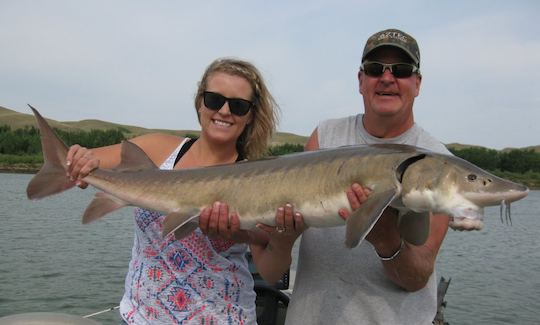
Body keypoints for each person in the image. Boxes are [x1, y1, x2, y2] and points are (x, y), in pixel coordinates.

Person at [65, 57, 303, 324]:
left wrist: (284, 239)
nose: (224, 111)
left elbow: (270, 273)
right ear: (200, 102)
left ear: (250, 116)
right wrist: (79, 160)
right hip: (140, 317)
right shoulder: (157, 148)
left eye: (238, 106)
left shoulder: (259, 178)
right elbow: (79, 163)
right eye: (214, 100)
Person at [284, 29, 452, 325]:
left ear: (417, 83)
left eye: (401, 70)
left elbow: (417, 276)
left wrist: (386, 238)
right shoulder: (325, 136)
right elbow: (282, 236)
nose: (387, 78)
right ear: (361, 81)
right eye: (375, 69)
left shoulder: (438, 162)